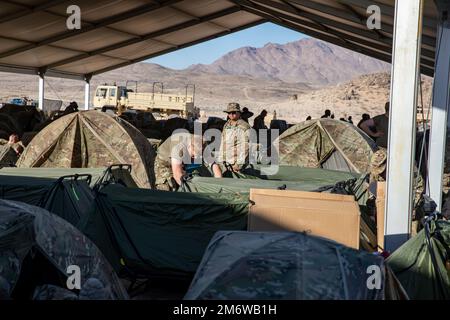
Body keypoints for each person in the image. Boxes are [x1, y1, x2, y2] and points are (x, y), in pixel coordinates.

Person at [212, 102, 251, 176]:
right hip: (225, 162)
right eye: (229, 113)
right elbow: (223, 143)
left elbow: (246, 147)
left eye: (233, 112)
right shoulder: (227, 124)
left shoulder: (244, 126)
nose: (231, 115)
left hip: (236, 165)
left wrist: (238, 165)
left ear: (239, 113)